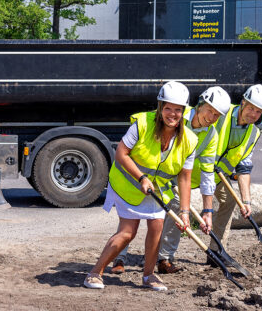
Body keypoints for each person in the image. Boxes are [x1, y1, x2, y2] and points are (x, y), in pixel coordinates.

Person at [83, 81, 198, 292]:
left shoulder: (190, 140)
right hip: (127, 184)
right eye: (168, 108)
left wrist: (184, 212)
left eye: (178, 110)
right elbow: (121, 153)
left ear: (184, 111)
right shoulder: (142, 124)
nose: (172, 114)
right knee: (128, 232)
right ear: (160, 107)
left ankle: (149, 275)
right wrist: (141, 177)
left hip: (156, 191)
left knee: (156, 228)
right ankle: (95, 272)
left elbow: (185, 177)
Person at [110, 86, 230, 274]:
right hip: (145, 168)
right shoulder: (177, 114)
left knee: (175, 207)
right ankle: (119, 257)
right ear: (200, 105)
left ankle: (164, 258)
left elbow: (207, 173)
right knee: (131, 214)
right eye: (209, 111)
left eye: (217, 115)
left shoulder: (211, 135)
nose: (211, 117)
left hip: (169, 176)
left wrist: (207, 211)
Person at [208, 83, 262, 255]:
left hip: (217, 177)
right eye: (251, 108)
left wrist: (246, 201)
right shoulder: (222, 113)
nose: (254, 114)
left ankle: (216, 251)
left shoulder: (253, 133)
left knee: (229, 200)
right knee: (177, 204)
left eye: (259, 112)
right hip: (196, 170)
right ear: (243, 103)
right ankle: (164, 257)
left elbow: (244, 168)